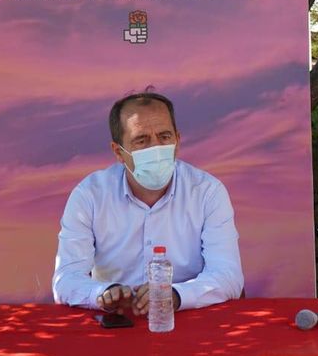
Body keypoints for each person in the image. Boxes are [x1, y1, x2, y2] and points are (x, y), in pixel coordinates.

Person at [52, 91, 244, 316]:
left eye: (164, 137)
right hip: (117, 324)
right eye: (141, 140)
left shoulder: (207, 192)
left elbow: (228, 275)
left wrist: (175, 295)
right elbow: (66, 280)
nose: (156, 148)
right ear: (118, 152)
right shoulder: (89, 196)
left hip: (189, 320)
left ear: (177, 141)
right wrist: (104, 294)